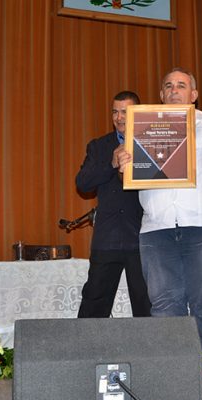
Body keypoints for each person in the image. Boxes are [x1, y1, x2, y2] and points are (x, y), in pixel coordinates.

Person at [115, 68, 202, 365]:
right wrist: (123, 162)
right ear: (161, 94)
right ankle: (172, 373)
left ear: (194, 95)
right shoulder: (139, 127)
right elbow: (130, 175)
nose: (174, 90)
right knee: (164, 307)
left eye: (181, 85)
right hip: (157, 229)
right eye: (168, 85)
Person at [76, 90, 151, 318]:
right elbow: (83, 183)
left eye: (125, 112)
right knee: (93, 306)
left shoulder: (152, 144)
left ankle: (149, 354)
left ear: (137, 114)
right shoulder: (99, 146)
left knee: (146, 307)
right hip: (106, 239)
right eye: (115, 112)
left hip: (142, 238)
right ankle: (86, 353)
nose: (119, 118)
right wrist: (110, 163)